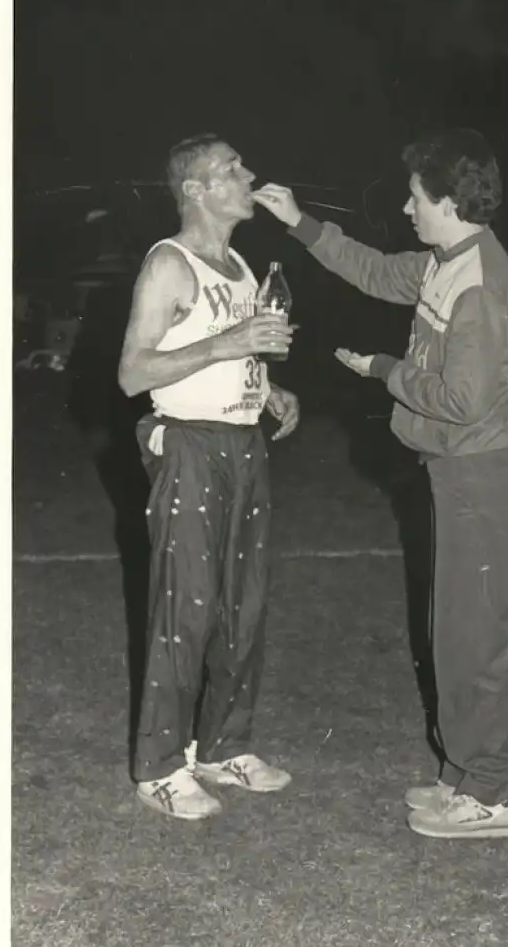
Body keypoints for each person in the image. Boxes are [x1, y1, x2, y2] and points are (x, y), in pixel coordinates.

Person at [253, 127, 508, 840]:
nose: (406, 209)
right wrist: (299, 222)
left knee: (473, 636)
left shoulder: (477, 285)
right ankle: (462, 775)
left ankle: (492, 795)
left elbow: (461, 400)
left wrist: (384, 371)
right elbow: (377, 272)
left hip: (483, 473)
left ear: (447, 202)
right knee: (453, 630)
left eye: (415, 198)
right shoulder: (448, 259)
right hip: (458, 468)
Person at [118, 133, 300, 820]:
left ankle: (224, 746)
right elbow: (133, 371)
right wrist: (229, 344)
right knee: (185, 608)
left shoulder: (241, 266)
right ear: (196, 190)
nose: (248, 176)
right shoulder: (169, 263)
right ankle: (160, 767)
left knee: (242, 607)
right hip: (190, 446)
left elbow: (234, 356)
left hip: (243, 441)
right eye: (232, 169)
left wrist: (267, 389)